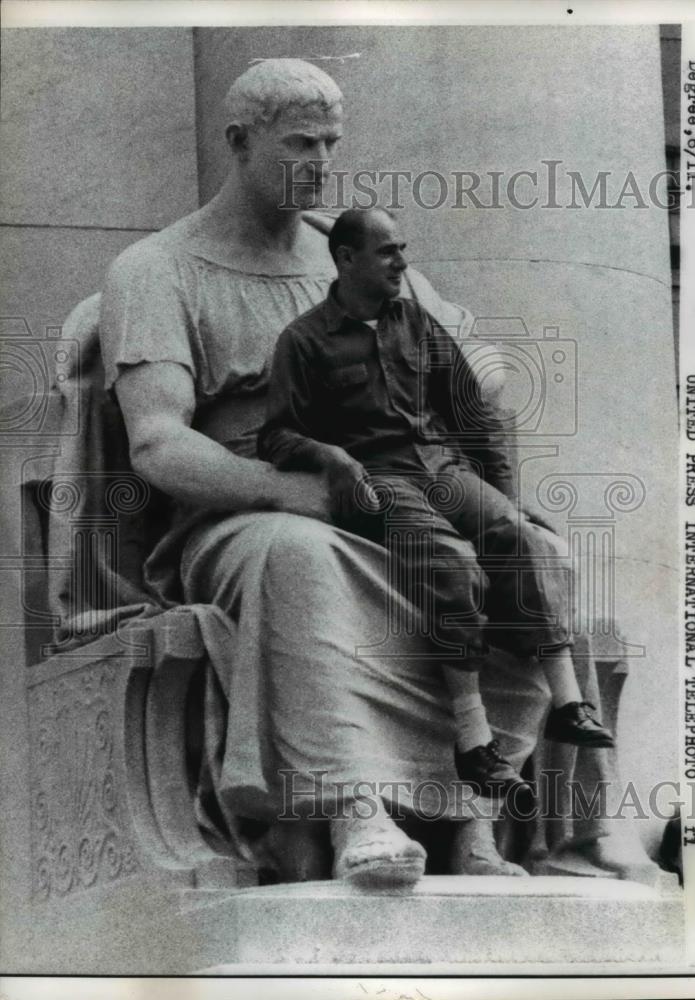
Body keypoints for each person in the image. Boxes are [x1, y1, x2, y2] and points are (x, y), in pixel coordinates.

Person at [99, 58, 648, 890]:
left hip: (393, 494)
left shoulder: (360, 256)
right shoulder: (158, 270)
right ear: (238, 143)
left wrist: (497, 482)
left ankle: (471, 818)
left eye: (329, 143)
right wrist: (294, 492)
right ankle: (357, 807)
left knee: (528, 556)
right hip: (247, 510)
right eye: (298, 144)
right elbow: (159, 446)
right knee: (300, 557)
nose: (318, 163)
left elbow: (459, 388)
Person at [257, 206, 615, 800]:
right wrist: (333, 459)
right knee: (451, 564)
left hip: (441, 467)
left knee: (519, 537)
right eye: (387, 251)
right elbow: (275, 434)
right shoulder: (303, 341)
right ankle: (474, 743)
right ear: (346, 259)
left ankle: (568, 702)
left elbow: (475, 414)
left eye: (402, 248)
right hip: (381, 478)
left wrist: (508, 499)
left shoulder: (416, 323)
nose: (401, 262)